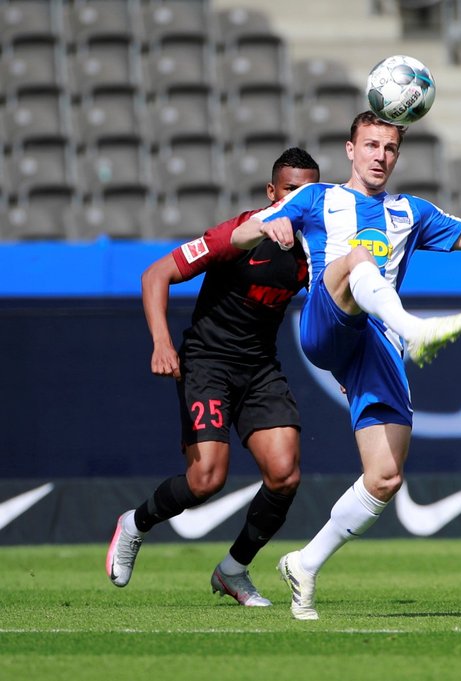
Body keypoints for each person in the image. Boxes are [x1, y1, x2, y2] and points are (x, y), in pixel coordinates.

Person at [230, 111, 461, 620]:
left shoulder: (411, 211)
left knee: (384, 478)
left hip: (374, 344)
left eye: (390, 148)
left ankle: (305, 564)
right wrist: (268, 228)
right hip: (326, 323)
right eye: (371, 145)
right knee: (358, 258)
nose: (380, 156)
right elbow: (241, 234)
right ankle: (414, 327)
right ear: (350, 150)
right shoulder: (317, 198)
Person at [105, 148, 321, 606]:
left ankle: (233, 569)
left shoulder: (312, 247)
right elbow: (155, 274)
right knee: (206, 479)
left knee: (284, 474)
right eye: (290, 191)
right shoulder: (236, 235)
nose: (299, 200)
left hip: (260, 366)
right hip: (207, 362)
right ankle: (135, 524)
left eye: (309, 192)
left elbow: (332, 310)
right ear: (271, 193)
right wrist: (163, 343)